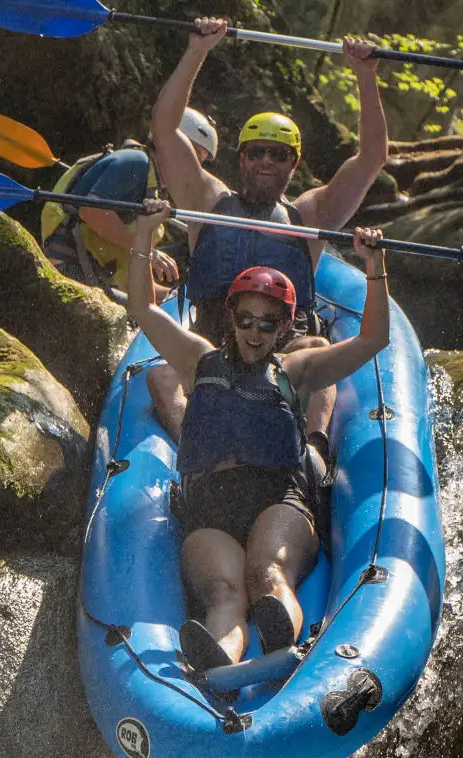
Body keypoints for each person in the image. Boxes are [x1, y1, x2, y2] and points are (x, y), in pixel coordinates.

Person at [124, 198, 392, 673]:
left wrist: (375, 266)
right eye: (245, 320)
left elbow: (373, 340)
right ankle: (217, 663)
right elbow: (143, 308)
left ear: (285, 326)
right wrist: (145, 232)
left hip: (276, 499)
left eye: (268, 324)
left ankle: (282, 638)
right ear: (231, 317)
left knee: (268, 575)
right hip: (210, 506)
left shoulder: (297, 369)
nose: (254, 333)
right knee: (224, 593)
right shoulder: (197, 359)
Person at [145, 19, 389, 474]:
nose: (264, 162)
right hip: (214, 347)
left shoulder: (312, 215)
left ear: (293, 164)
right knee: (160, 377)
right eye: (255, 152)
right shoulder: (205, 200)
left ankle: (311, 455)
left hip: (282, 351)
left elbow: (372, 156)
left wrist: (365, 76)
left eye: (277, 155)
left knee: (315, 343)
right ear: (240, 158)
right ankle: (197, 454)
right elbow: (164, 127)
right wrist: (198, 49)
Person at [40, 108, 219, 299]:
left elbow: (132, 286)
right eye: (193, 155)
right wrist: (147, 251)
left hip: (88, 274)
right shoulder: (135, 162)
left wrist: (177, 298)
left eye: (200, 162)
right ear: (169, 144)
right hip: (65, 267)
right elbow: (92, 210)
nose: (195, 168)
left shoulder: (151, 190)